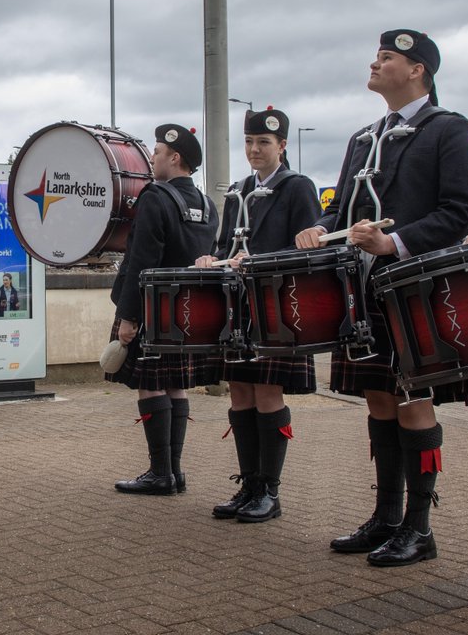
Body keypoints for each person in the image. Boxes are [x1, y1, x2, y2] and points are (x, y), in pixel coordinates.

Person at [294, 29, 468, 566]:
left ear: (418, 69)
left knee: (411, 400)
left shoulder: (449, 130)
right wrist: (319, 227)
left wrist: (393, 242)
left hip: (417, 287)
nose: (374, 65)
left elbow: (460, 210)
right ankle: (386, 517)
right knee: (379, 400)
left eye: (386, 58)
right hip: (364, 291)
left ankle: (419, 529)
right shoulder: (363, 138)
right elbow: (340, 211)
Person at [195, 107, 321, 522]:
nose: (254, 150)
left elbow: (308, 250)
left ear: (281, 145)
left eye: (263, 143)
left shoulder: (298, 187)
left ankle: (270, 490)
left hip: (277, 305)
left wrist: (256, 261)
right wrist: (211, 259)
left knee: (268, 393)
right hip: (238, 306)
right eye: (249, 142)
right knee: (239, 391)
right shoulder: (237, 191)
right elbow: (227, 247)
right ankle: (248, 484)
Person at [107, 124, 218, 495]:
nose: (151, 158)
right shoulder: (206, 204)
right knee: (176, 387)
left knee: (149, 386)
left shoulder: (156, 197)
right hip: (186, 311)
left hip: (151, 309)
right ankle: (174, 472)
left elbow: (142, 261)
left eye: (156, 152)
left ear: (174, 157)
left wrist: (128, 317)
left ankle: (160, 473)